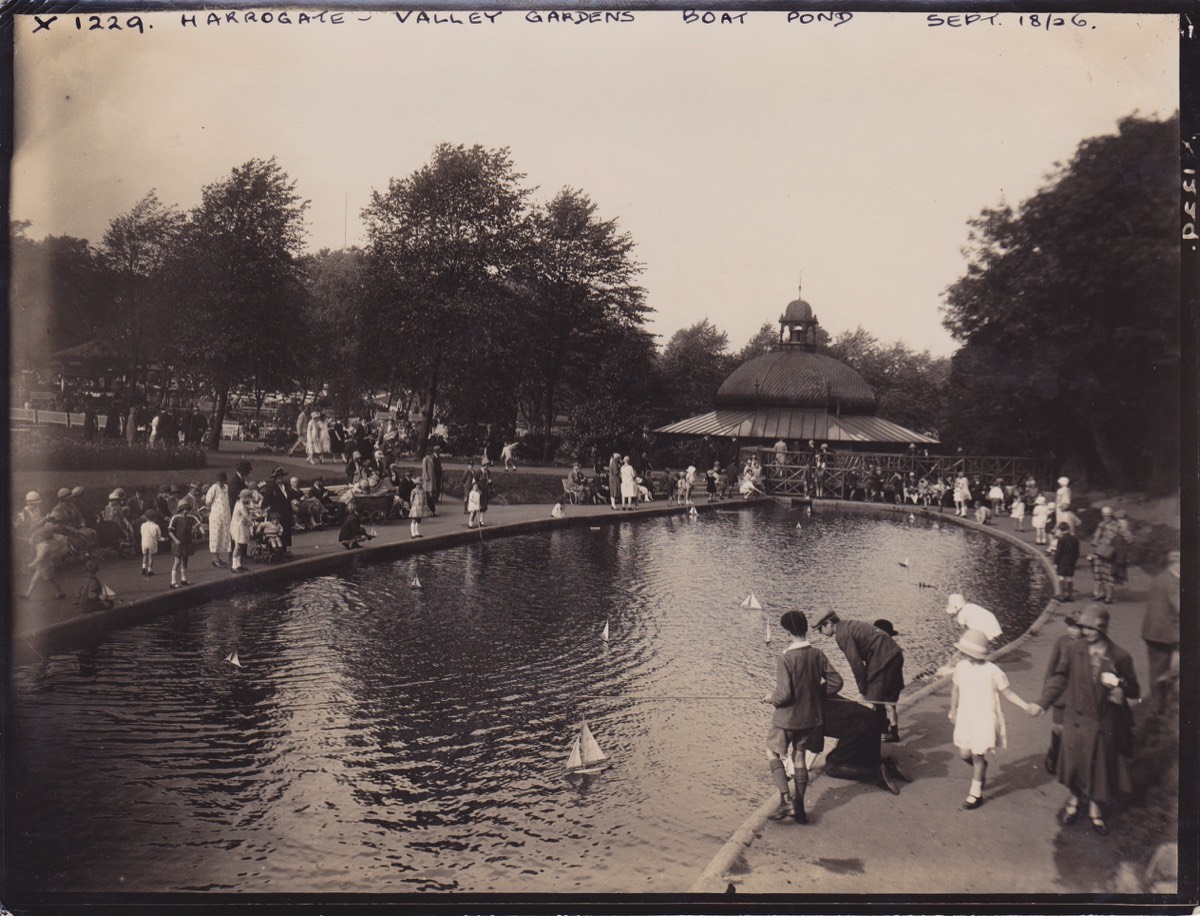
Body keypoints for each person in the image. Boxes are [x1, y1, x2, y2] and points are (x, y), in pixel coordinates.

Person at [1032, 603, 1140, 836]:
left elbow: (1135, 691)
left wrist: (1120, 684)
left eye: (1091, 629)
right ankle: (1074, 801)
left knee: (1100, 767)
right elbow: (1060, 678)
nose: (1086, 633)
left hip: (1104, 721)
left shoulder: (1120, 656)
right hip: (1076, 719)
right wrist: (1043, 703)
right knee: (1075, 764)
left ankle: (1095, 810)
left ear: (1103, 629)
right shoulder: (1075, 649)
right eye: (1083, 628)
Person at [762, 610, 844, 824]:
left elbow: (784, 694)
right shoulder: (817, 654)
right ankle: (799, 807)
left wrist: (770, 698)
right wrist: (815, 695)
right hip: (811, 718)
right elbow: (836, 683)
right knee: (799, 758)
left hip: (787, 719)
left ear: (788, 631)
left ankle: (785, 799)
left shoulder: (785, 658)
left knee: (772, 752)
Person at [949, 629, 1039, 809]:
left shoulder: (992, 671)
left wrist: (1025, 705)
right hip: (967, 716)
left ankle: (975, 792)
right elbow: (956, 689)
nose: (965, 656)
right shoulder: (961, 667)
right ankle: (981, 766)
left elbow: (1008, 693)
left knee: (977, 754)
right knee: (964, 754)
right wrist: (953, 710)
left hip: (984, 718)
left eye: (968, 653)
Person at [812, 609, 904, 741]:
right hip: (894, 654)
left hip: (883, 658)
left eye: (820, 629)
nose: (820, 633)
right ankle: (889, 732)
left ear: (828, 623)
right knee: (884, 698)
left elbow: (856, 664)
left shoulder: (842, 635)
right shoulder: (847, 624)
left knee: (870, 701)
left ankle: (863, 741)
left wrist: (863, 689)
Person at [1042, 612, 1082, 776]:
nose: (1072, 630)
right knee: (1058, 727)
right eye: (1070, 626)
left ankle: (1071, 758)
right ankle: (1054, 753)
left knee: (1074, 727)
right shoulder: (1061, 642)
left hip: (1078, 692)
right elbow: (1052, 665)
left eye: (1077, 627)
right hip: (1060, 692)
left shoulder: (1087, 645)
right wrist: (1047, 690)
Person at [1141, 549, 1180, 714]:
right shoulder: (1173, 583)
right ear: (1176, 564)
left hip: (1153, 632)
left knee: (1158, 669)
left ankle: (1159, 706)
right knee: (1163, 671)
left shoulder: (1161, 578)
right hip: (1164, 635)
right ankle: (1157, 710)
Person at [873, 619, 903, 742]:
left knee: (889, 707)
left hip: (891, 683)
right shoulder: (886, 647)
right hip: (887, 682)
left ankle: (894, 732)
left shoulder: (892, 650)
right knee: (884, 707)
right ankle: (885, 729)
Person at [1089, 506, 1121, 603]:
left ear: (1111, 516)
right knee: (1099, 573)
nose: (1106, 518)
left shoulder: (1117, 526)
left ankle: (1108, 596)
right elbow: (1095, 538)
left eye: (1108, 516)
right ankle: (1100, 594)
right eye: (1104, 516)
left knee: (1109, 573)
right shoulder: (1102, 525)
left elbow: (1122, 538)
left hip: (1110, 552)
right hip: (1101, 551)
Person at [259, 467, 297, 549]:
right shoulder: (271, 487)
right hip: (276, 514)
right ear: (275, 477)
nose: (280, 478)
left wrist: (291, 513)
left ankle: (284, 550)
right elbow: (265, 502)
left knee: (285, 532)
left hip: (286, 513)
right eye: (278, 476)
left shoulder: (285, 486)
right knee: (277, 532)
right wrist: (265, 511)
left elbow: (288, 499)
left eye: (281, 476)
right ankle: (276, 550)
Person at [167, 496, 198, 588]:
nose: (185, 511)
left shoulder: (190, 517)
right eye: (183, 509)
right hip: (178, 543)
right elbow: (170, 531)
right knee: (177, 561)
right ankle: (173, 581)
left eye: (187, 509)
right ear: (180, 510)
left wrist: (197, 530)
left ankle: (183, 579)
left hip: (187, 542)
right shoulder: (175, 518)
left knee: (185, 560)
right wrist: (175, 540)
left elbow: (197, 524)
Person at [205, 472, 231, 568]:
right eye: (219, 481)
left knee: (223, 537)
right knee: (216, 537)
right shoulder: (214, 488)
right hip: (216, 517)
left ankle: (218, 558)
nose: (220, 483)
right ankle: (215, 559)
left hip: (225, 517)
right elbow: (208, 501)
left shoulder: (226, 488)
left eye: (222, 481)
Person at [1053, 522, 1081, 602]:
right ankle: (1070, 595)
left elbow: (1059, 552)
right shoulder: (1074, 539)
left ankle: (1062, 595)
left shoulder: (1061, 540)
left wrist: (1055, 562)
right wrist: (1075, 560)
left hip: (1062, 561)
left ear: (1061, 530)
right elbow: (1077, 551)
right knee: (1069, 577)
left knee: (1061, 577)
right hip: (1071, 561)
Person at [229, 490, 255, 573]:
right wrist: (258, 516)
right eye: (248, 498)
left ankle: (239, 564)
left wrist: (254, 510)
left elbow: (248, 508)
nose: (249, 500)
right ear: (245, 498)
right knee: (238, 546)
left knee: (241, 546)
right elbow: (248, 518)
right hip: (238, 528)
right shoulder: (241, 507)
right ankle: (234, 566)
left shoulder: (240, 503)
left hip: (241, 526)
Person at [422, 445, 443, 516]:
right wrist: (426, 476)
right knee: (429, 493)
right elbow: (424, 469)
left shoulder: (431, 459)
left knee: (431, 493)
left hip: (432, 477)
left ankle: (432, 508)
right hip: (428, 479)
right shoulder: (426, 459)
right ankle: (431, 509)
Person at [139, 509, 161, 577]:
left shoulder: (143, 525)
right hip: (152, 542)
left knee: (145, 555)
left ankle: (143, 567)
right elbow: (158, 536)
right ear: (154, 518)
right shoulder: (156, 526)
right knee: (151, 556)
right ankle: (149, 570)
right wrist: (162, 539)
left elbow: (141, 533)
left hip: (144, 542)